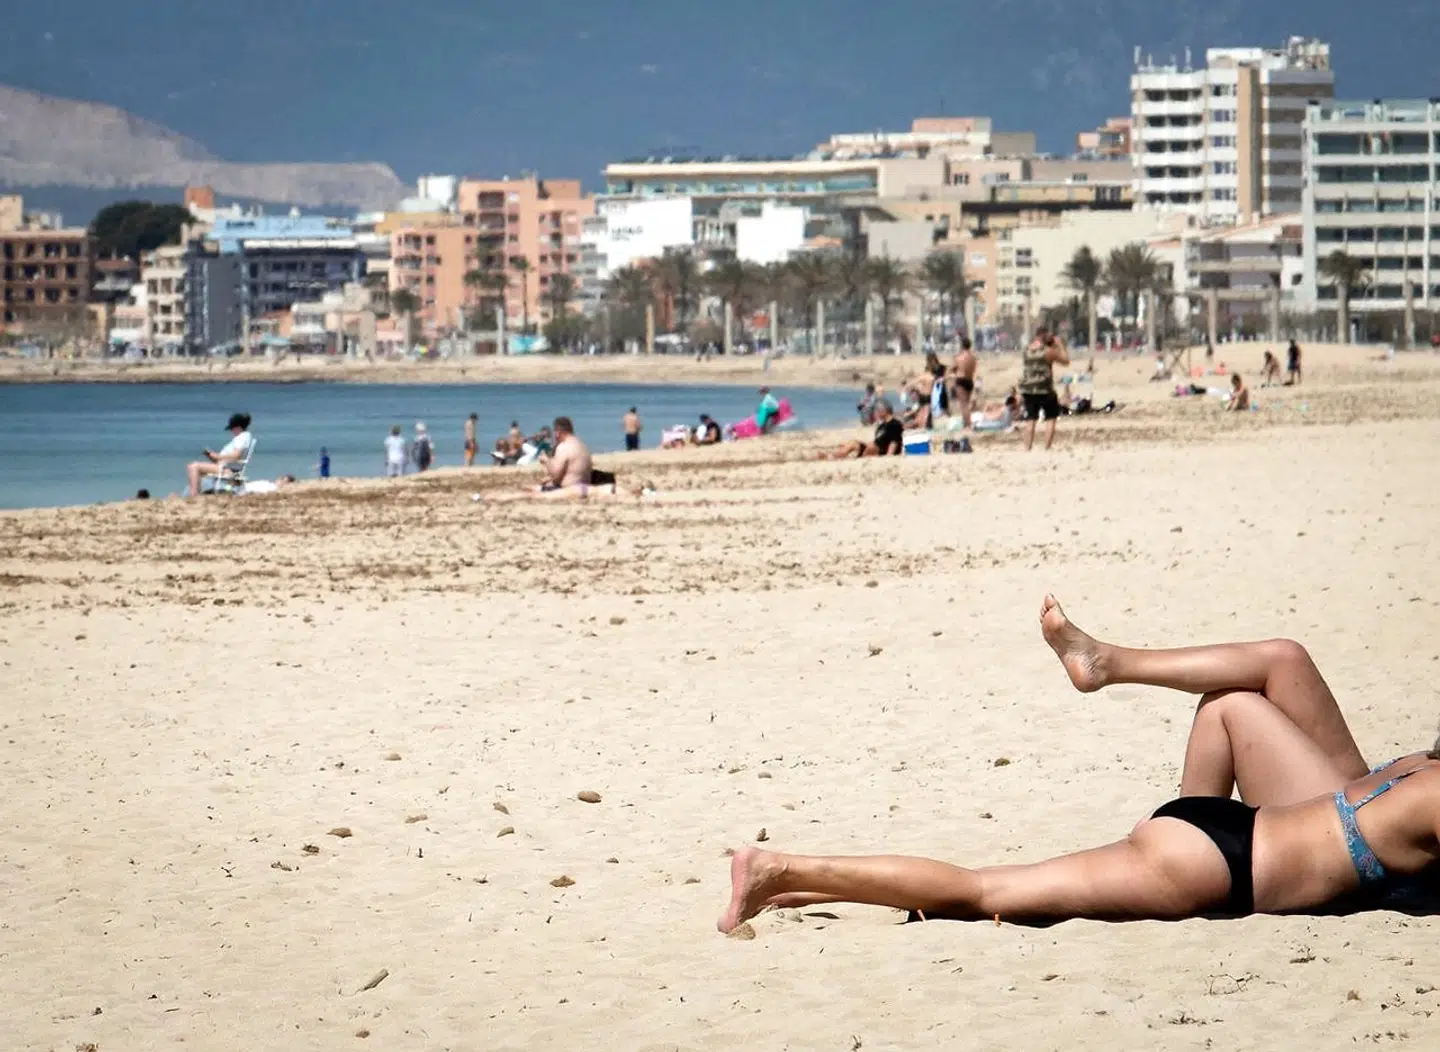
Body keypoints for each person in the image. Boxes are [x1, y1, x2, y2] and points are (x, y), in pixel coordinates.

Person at [716, 596, 1440, 933]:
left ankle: (806, 888)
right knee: (977, 891)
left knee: (1252, 685)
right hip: (1215, 862)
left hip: (1225, 831)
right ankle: (781, 870)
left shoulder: (1415, 770)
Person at [484, 416, 601, 501]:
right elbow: (567, 471)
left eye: (555, 432)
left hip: (570, 489)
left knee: (527, 495)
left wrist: (546, 461)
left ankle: (493, 497)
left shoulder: (564, 447)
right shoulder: (581, 444)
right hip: (583, 485)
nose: (555, 436)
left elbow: (556, 474)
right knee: (530, 487)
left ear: (559, 432)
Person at [1019, 327, 1070, 452]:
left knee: (1030, 420)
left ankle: (1027, 448)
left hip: (1029, 389)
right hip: (1045, 389)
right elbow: (1066, 361)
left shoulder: (1026, 350)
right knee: (1051, 418)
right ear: (1044, 335)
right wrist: (1060, 345)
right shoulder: (1048, 351)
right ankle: (1046, 447)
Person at [185, 412, 253, 497]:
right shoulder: (243, 437)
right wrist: (211, 456)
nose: (232, 431)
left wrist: (217, 456)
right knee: (194, 467)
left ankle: (194, 495)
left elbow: (237, 455)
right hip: (225, 467)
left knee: (193, 466)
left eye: (232, 428)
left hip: (228, 470)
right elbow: (229, 458)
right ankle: (195, 493)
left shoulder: (242, 437)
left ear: (238, 427)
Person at [817, 401, 904, 459]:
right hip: (872, 450)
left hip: (880, 453)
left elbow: (894, 443)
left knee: (861, 445)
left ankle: (832, 457)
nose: (875, 413)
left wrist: (888, 457)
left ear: (884, 411)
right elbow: (877, 441)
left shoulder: (894, 424)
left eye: (877, 411)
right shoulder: (882, 426)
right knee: (852, 443)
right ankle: (831, 455)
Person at [952, 339, 977, 431]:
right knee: (967, 403)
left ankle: (967, 425)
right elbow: (973, 370)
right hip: (969, 380)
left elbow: (953, 368)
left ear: (962, 346)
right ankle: (968, 423)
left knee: (963, 404)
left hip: (961, 380)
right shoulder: (973, 357)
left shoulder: (959, 357)